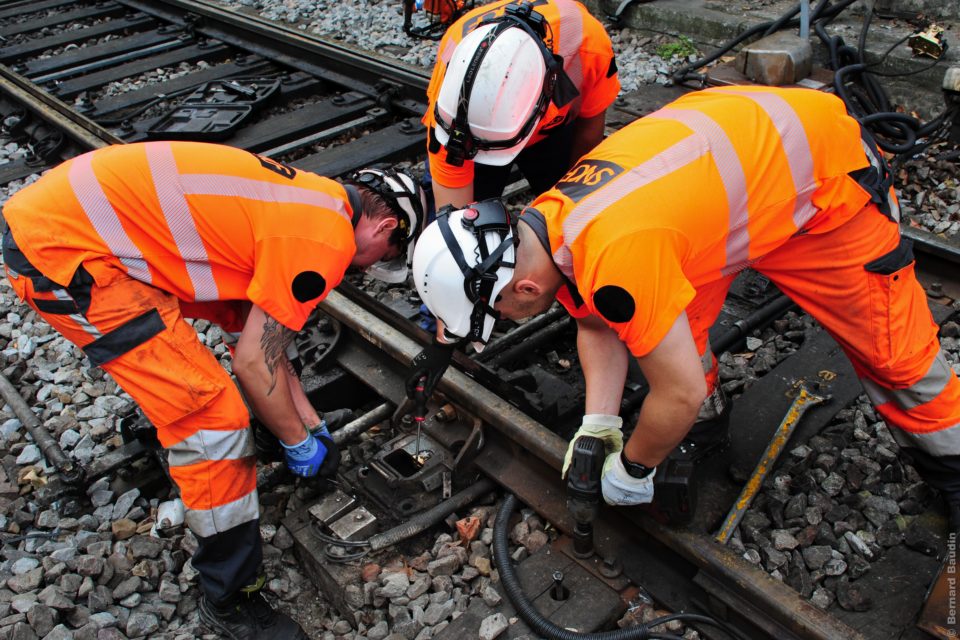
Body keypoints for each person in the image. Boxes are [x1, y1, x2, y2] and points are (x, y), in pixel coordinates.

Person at [410, 86, 960, 525]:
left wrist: (633, 467)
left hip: (824, 180)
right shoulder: (551, 220)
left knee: (896, 358)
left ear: (524, 288)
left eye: (496, 314)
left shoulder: (618, 258)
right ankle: (705, 429)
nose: (502, 321)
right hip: (738, 166)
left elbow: (679, 391)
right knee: (674, 334)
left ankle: (952, 466)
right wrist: (599, 422)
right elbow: (598, 322)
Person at [2, 142, 425, 639]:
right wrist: (297, 443)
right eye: (383, 259)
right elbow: (253, 361)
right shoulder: (327, 242)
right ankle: (230, 596)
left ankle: (255, 455)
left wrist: (309, 423)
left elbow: (256, 335)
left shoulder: (312, 200)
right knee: (211, 420)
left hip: (65, 220)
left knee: (231, 342)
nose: (367, 269)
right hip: (63, 255)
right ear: (386, 226)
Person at [423, 0, 620, 210]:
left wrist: (571, 209)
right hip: (466, 141)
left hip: (553, 130)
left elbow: (589, 131)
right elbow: (452, 217)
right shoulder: (449, 103)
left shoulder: (587, 46)